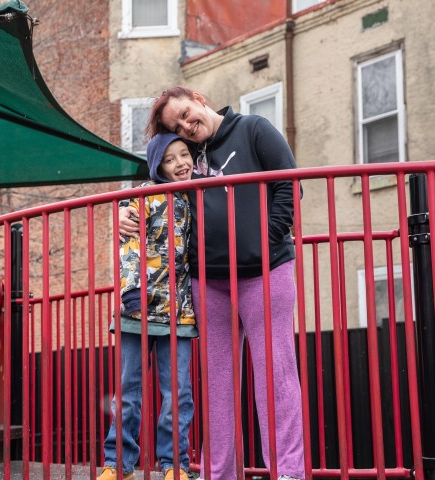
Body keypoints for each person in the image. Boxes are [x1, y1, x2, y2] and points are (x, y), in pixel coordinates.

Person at [119, 87, 305, 480]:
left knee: (275, 374)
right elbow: (154, 194)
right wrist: (124, 213)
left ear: (198, 100)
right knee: (217, 383)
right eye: (178, 126)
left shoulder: (254, 129)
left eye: (186, 114)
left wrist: (263, 239)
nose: (187, 125)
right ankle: (219, 474)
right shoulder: (187, 157)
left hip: (264, 272)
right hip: (209, 281)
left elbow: (290, 186)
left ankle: (287, 471)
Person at [98, 133, 198, 480]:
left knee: (178, 394)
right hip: (137, 311)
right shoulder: (146, 196)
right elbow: (129, 245)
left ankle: (175, 465)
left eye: (184, 154)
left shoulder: (198, 199)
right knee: (127, 392)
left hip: (180, 313)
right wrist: (131, 293)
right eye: (170, 159)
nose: (180, 163)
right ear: (158, 166)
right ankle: (118, 463)